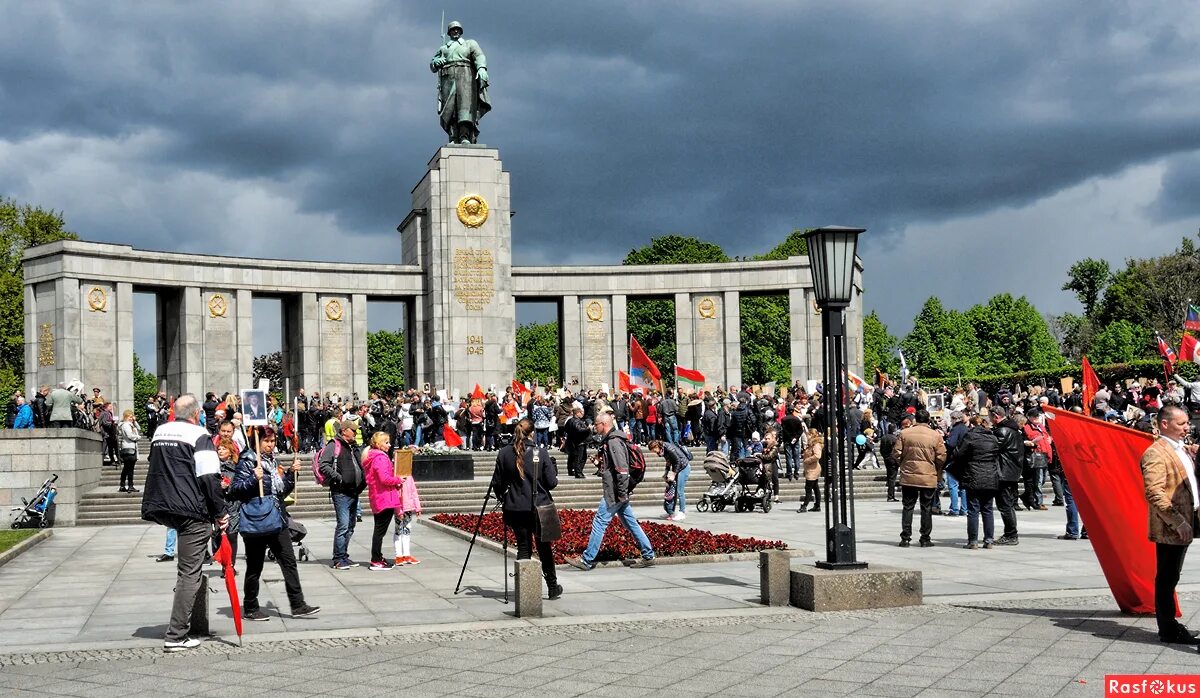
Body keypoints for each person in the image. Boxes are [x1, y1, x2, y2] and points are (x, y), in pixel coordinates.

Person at [140, 394, 228, 653]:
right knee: (189, 573)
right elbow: (209, 477)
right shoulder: (200, 435)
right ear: (197, 413)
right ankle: (176, 635)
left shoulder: (160, 432)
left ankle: (182, 627)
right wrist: (220, 512)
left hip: (164, 505)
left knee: (186, 570)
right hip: (192, 510)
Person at [229, 427, 319, 621]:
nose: (270, 445)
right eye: (266, 441)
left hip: (277, 519)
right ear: (257, 442)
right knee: (255, 566)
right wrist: (254, 478)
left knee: (289, 561)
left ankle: (298, 604)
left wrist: (290, 475)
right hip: (257, 520)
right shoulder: (248, 461)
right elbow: (235, 490)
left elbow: (281, 491)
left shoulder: (271, 461)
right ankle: (251, 607)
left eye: (272, 441)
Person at [1140, 404, 1200, 644]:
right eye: (1181, 423)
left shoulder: (1180, 448)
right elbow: (1154, 493)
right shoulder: (1155, 453)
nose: (1187, 427)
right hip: (1172, 525)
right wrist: (1178, 522)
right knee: (1167, 576)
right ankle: (1168, 628)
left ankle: (1169, 627)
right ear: (1165, 424)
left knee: (1170, 574)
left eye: (1187, 423)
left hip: (1192, 516)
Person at [565, 412, 656, 570]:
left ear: (604, 424)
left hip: (614, 491)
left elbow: (622, 469)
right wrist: (600, 465)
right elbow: (612, 468)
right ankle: (648, 555)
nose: (595, 427)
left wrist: (621, 492)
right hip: (618, 489)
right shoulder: (612, 440)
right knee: (630, 522)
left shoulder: (614, 441)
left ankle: (586, 560)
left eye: (597, 424)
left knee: (599, 522)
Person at [490, 418, 562, 599]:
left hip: (515, 507)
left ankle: (524, 589)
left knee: (523, 547)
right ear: (532, 433)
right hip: (539, 506)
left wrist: (504, 497)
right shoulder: (541, 452)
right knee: (544, 548)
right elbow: (552, 483)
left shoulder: (504, 453)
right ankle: (552, 586)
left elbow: (497, 483)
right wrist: (553, 468)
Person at [430, 20, 490, 144]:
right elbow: (433, 64)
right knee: (449, 109)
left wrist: (482, 68)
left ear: (461, 31)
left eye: (457, 29)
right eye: (453, 29)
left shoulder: (469, 44)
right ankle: (453, 137)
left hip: (465, 75)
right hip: (448, 77)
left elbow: (479, 56)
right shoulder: (443, 48)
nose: (455, 31)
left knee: (465, 107)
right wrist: (436, 62)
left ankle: (464, 137)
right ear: (449, 32)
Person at [894, 409, 948, 548]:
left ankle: (905, 537)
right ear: (928, 420)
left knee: (908, 506)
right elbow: (941, 456)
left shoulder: (905, 433)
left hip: (909, 474)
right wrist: (936, 468)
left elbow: (896, 453)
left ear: (915, 420)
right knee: (927, 507)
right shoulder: (935, 435)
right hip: (928, 475)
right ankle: (925, 538)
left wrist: (903, 464)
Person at [318, 419, 365, 570]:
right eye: (353, 430)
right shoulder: (334, 445)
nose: (356, 432)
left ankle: (344, 555)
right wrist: (338, 477)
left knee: (351, 526)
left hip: (354, 491)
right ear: (344, 431)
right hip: (341, 492)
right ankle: (338, 558)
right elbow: (323, 464)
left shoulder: (353, 447)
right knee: (343, 526)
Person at [951, 415, 1001, 549]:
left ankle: (973, 541)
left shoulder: (970, 437)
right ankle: (989, 540)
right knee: (987, 509)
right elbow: (997, 455)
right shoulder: (993, 438)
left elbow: (959, 454)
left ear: (972, 425)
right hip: (990, 474)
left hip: (973, 473)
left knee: (973, 509)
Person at [991, 407, 1025, 545]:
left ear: (995, 416)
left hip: (1003, 472)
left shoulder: (1002, 431)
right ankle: (1011, 533)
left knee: (1005, 505)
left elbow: (992, 447)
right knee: (1008, 504)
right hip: (1012, 471)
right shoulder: (1014, 430)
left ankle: (1011, 534)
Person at [650, 439, 692, 520]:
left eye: (654, 450)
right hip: (678, 468)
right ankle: (671, 513)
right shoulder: (663, 450)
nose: (655, 453)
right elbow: (668, 461)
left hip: (684, 467)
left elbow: (678, 461)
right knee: (674, 491)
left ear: (656, 446)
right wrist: (666, 473)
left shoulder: (668, 448)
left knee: (680, 490)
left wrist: (673, 474)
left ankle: (682, 512)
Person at [797, 428, 823, 512]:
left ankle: (805, 505)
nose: (807, 436)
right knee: (815, 487)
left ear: (812, 435)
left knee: (808, 488)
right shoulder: (810, 444)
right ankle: (817, 505)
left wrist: (808, 460)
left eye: (808, 434)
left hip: (813, 469)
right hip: (809, 469)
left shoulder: (816, 445)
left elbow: (817, 455)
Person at [563, 405, 590, 479]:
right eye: (581, 412)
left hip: (573, 441)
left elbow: (566, 429)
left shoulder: (570, 420)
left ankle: (571, 470)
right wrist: (588, 429)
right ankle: (578, 472)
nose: (582, 414)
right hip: (579, 442)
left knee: (573, 456)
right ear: (577, 413)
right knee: (580, 457)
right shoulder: (575, 421)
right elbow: (579, 430)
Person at [117, 409, 141, 493]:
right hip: (129, 448)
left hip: (131, 448)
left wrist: (135, 421)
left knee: (127, 468)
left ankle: (123, 485)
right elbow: (130, 436)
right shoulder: (126, 425)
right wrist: (138, 437)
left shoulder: (130, 425)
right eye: (130, 417)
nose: (132, 418)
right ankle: (129, 485)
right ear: (126, 417)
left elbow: (139, 428)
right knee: (129, 468)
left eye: (132, 417)